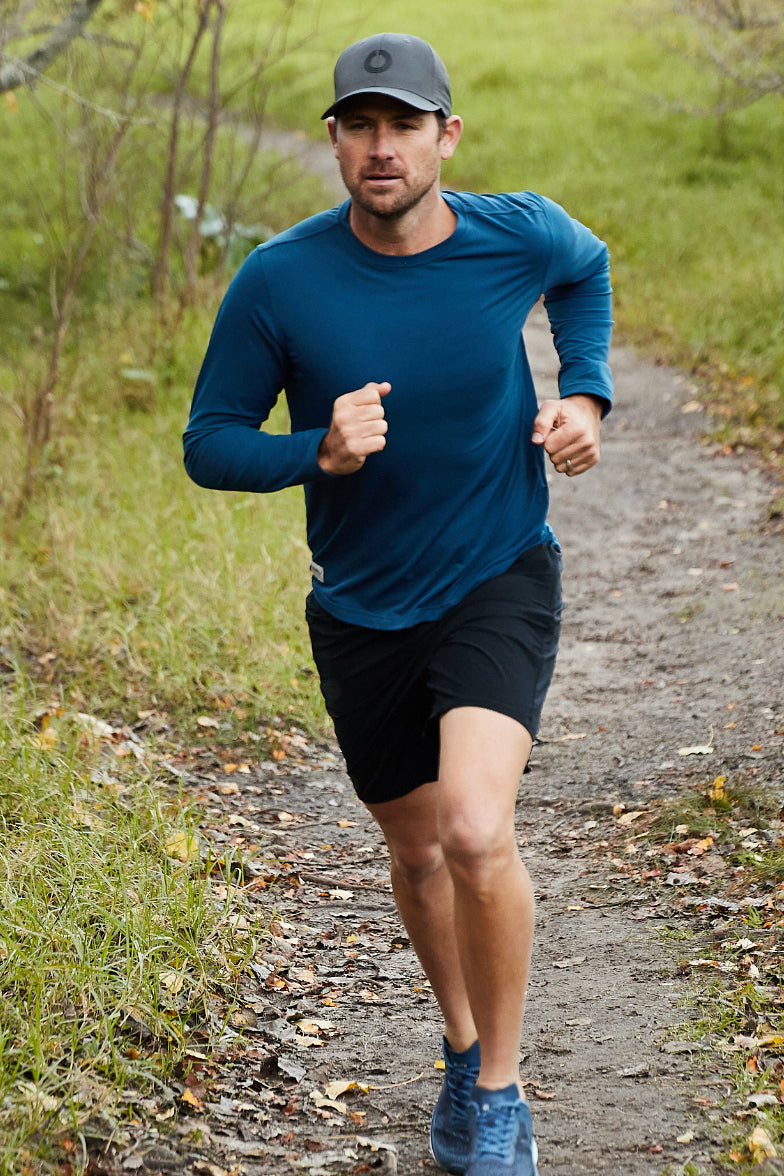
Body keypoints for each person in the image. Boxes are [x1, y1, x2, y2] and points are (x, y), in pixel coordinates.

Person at [184, 31, 612, 1176]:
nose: (382, 149)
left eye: (404, 125)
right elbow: (209, 443)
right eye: (360, 126)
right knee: (418, 853)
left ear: (445, 137)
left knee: (477, 830)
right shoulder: (280, 278)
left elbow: (587, 267)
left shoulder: (511, 232)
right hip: (362, 604)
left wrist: (586, 393)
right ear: (335, 139)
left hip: (496, 572)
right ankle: (460, 1043)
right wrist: (312, 453)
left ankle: (499, 1096)